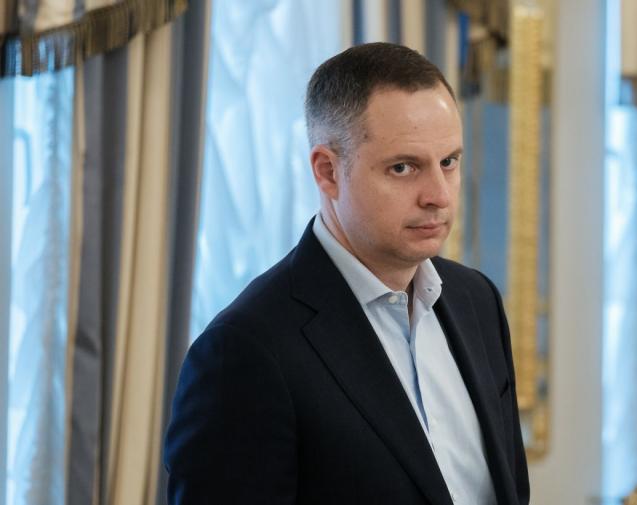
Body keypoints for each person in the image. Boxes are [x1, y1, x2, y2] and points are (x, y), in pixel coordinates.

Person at [164, 42, 530, 505]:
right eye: (403, 167)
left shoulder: (476, 300)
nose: (438, 195)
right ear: (328, 172)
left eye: (449, 162)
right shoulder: (242, 352)